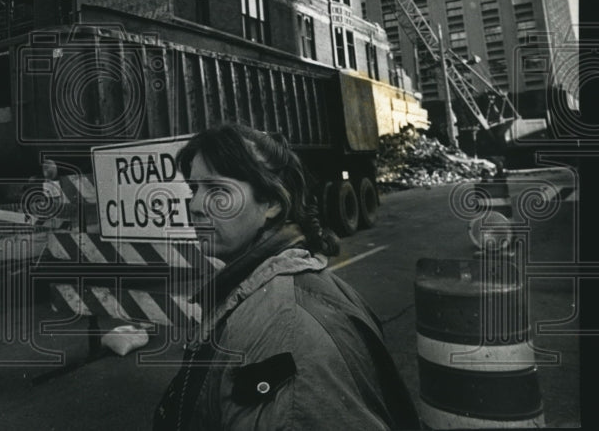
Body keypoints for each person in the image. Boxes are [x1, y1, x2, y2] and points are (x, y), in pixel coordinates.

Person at [154, 124, 418, 430]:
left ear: (272, 203)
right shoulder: (259, 292)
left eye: (217, 190)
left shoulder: (286, 329)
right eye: (194, 189)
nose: (196, 206)